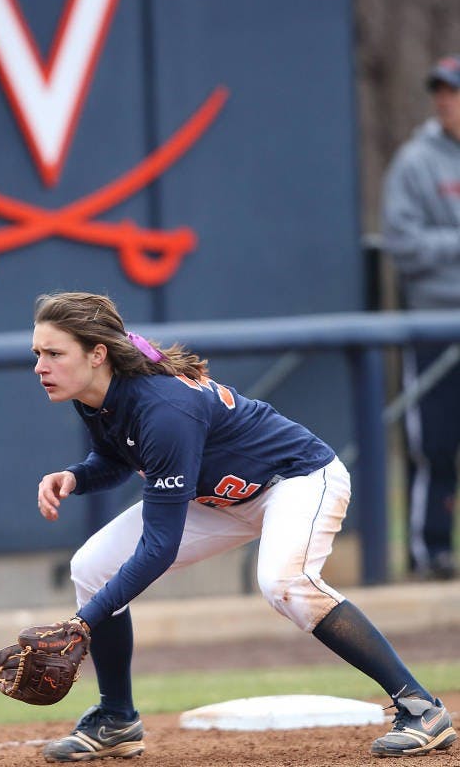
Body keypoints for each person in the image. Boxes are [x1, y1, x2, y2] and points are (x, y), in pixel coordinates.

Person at [32, 291, 456, 761]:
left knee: (285, 584)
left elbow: (159, 548)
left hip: (296, 480)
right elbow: (118, 457)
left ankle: (422, 709)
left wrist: (81, 625)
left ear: (97, 354)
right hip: (219, 498)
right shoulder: (97, 396)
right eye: (38, 354)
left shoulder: (162, 409)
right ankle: (116, 719)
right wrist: (76, 475)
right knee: (92, 566)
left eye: (54, 353)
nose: (41, 366)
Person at [382, 53, 460, 581]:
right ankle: (430, 553)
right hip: (437, 324)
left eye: (452, 91)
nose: (444, 100)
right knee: (433, 445)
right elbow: (402, 244)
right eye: (440, 91)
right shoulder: (416, 160)